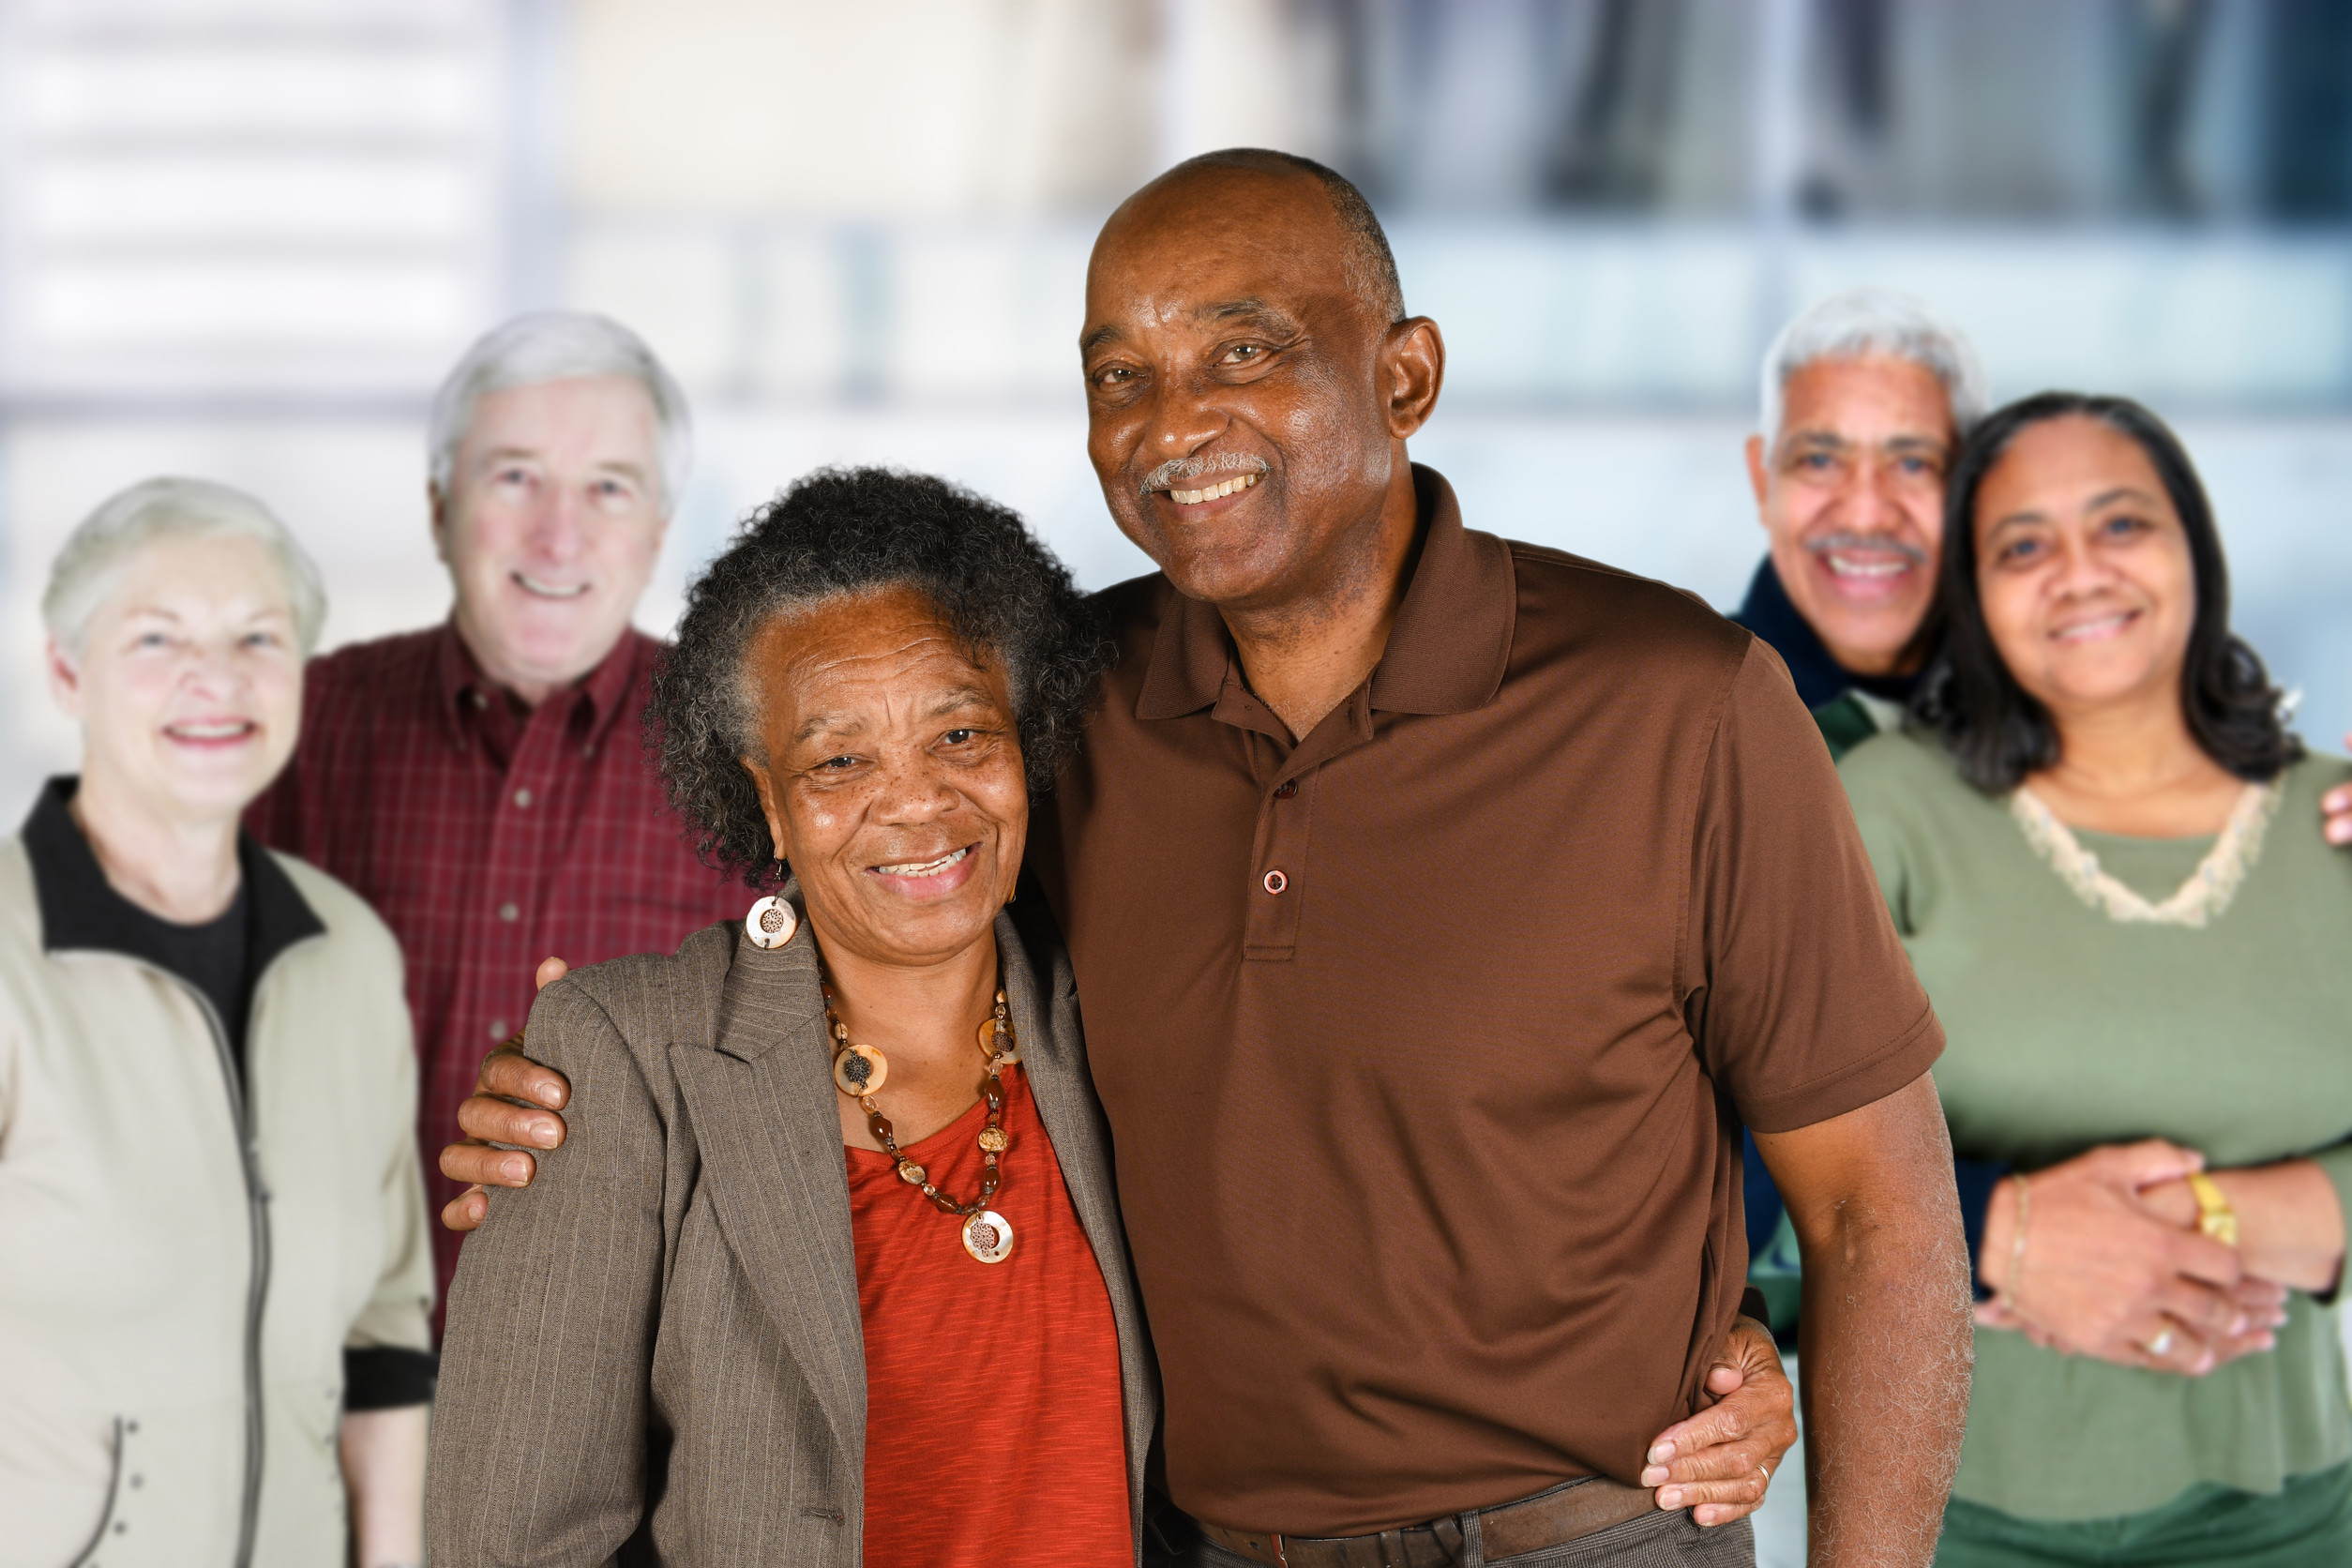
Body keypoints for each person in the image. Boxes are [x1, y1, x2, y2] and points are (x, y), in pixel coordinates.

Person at [448, 150, 1971, 1564]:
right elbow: (861, 895)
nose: (1171, 424)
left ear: (1405, 375)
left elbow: (1877, 1215)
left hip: (1593, 1537)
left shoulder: (1676, 698)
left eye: (1241, 352)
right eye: (1120, 375)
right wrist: (583, 1098)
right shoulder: (1067, 704)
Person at [426, 468, 1153, 1564]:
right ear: (765, 797)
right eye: (840, 759)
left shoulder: (1114, 1004)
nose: (916, 800)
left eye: (961, 735)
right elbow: (511, 1538)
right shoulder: (623, 1058)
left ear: (1026, 738)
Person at [1838, 394, 2352, 1564]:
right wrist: (2001, 1230)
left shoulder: (2339, 821)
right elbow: (1749, 1137)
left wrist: (2192, 1223)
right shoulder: (1884, 815)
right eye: (2023, 545)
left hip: (2294, 1514)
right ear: (1973, 594)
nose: (2078, 572)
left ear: (2196, 551)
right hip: (1941, 1512)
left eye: (2121, 524)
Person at [247, 311, 746, 1326]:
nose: (559, 535)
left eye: (608, 487)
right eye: (514, 477)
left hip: (614, 1401)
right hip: (312, 1359)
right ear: (438, 510)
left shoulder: (750, 762)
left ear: (657, 530)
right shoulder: (292, 725)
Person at [0, 479, 433, 1566]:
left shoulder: (349, 952)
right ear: (66, 671)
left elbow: (381, 1336)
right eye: (157, 637)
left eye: (257, 636)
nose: (217, 678)